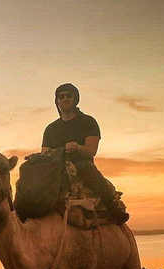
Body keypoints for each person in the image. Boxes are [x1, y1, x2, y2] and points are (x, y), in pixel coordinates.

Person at [41, 83, 129, 225]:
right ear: (56, 101)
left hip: (81, 165)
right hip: (56, 167)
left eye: (68, 95)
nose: (64, 99)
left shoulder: (88, 122)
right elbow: (44, 152)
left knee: (86, 167)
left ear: (75, 98)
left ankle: (113, 208)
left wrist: (77, 147)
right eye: (60, 96)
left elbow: (91, 150)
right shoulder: (51, 129)